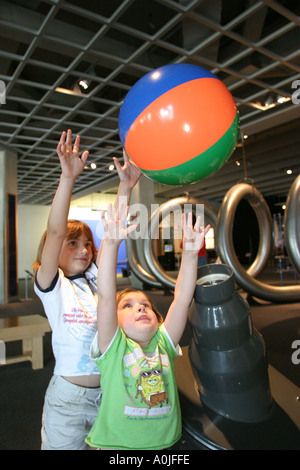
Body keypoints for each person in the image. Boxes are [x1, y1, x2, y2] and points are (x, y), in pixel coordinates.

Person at [33, 129, 141, 450]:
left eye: (87, 245)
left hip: (108, 393)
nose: (84, 250)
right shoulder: (53, 286)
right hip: (68, 401)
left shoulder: (95, 277)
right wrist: (68, 178)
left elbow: (114, 235)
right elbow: (54, 232)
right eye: (74, 244)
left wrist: (126, 185)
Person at [85, 204, 210, 450]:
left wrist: (190, 254)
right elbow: (107, 297)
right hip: (116, 447)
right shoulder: (113, 346)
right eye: (128, 306)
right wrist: (110, 244)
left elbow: (182, 300)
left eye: (145, 305)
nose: (140, 308)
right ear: (114, 321)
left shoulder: (163, 341)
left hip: (164, 445)